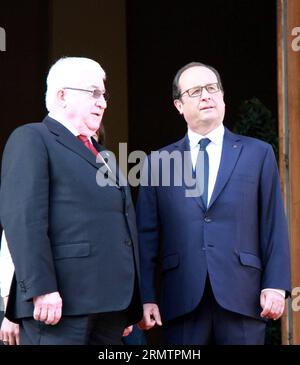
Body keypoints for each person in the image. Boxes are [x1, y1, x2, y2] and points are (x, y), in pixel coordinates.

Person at [136, 62, 291, 345]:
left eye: (211, 88)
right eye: (195, 91)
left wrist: (276, 285)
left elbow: (273, 225)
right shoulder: (158, 162)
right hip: (181, 299)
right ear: (178, 105)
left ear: (222, 97)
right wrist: (146, 297)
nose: (206, 96)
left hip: (243, 296)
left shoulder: (258, 153)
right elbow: (146, 237)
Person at [0, 56, 142, 345]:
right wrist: (41, 289)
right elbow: (24, 219)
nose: (103, 102)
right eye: (94, 93)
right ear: (62, 95)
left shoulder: (105, 155)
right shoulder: (33, 138)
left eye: (104, 94)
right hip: (59, 305)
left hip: (110, 307)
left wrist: (127, 303)